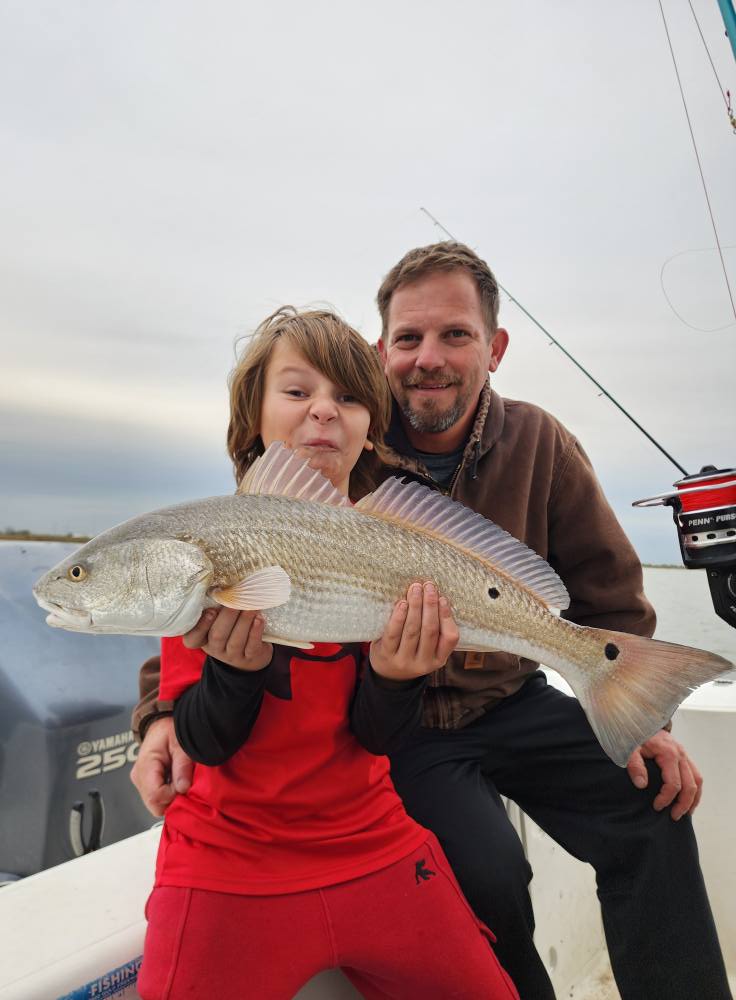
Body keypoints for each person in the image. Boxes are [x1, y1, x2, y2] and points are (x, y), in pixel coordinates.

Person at [132, 246, 731, 1000]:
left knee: (654, 805)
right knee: (487, 870)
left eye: (456, 335)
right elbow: (215, 577)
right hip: (404, 723)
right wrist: (160, 714)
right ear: (382, 356)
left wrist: (647, 716)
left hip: (508, 696)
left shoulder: (537, 442)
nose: (429, 360)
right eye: (408, 340)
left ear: (494, 347)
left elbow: (604, 587)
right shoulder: (337, 455)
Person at [135, 306, 519, 1000]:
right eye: (296, 392)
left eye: (347, 397)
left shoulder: (392, 554)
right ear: (253, 415)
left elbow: (378, 737)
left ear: (372, 429)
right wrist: (232, 673)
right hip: (229, 865)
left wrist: (396, 677)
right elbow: (205, 743)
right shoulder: (209, 547)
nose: (323, 413)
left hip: (373, 843)